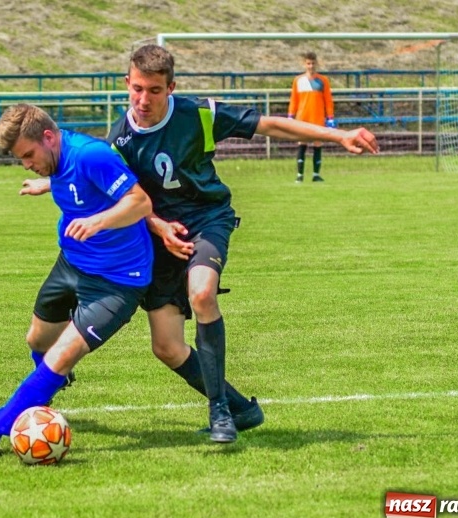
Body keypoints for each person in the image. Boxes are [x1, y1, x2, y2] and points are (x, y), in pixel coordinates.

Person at [106, 44, 378, 443]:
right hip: (160, 236)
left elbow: (273, 125)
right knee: (166, 346)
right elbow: (121, 196)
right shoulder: (120, 139)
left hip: (206, 220)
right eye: (137, 89)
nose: (143, 99)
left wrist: (339, 135)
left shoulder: (200, 114)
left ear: (172, 88)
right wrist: (158, 226)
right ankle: (242, 409)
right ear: (127, 83)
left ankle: (219, 412)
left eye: (155, 91)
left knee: (202, 295)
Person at [0, 104, 153, 459]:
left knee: (60, 355)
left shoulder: (92, 155)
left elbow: (140, 203)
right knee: (37, 340)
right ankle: (50, 382)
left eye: (28, 155)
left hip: (117, 280)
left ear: (49, 138)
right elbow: (71, 178)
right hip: (70, 263)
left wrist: (98, 222)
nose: (25, 163)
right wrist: (46, 182)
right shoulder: (58, 160)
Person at [287, 51, 336, 183]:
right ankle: (299, 175)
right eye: (308, 63)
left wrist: (330, 117)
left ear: (316, 64)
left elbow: (328, 100)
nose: (311, 66)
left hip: (318, 117)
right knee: (302, 143)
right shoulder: (298, 80)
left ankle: (315, 174)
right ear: (304, 64)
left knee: (318, 143)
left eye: (313, 63)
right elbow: (294, 99)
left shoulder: (323, 80)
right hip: (302, 117)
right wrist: (290, 115)